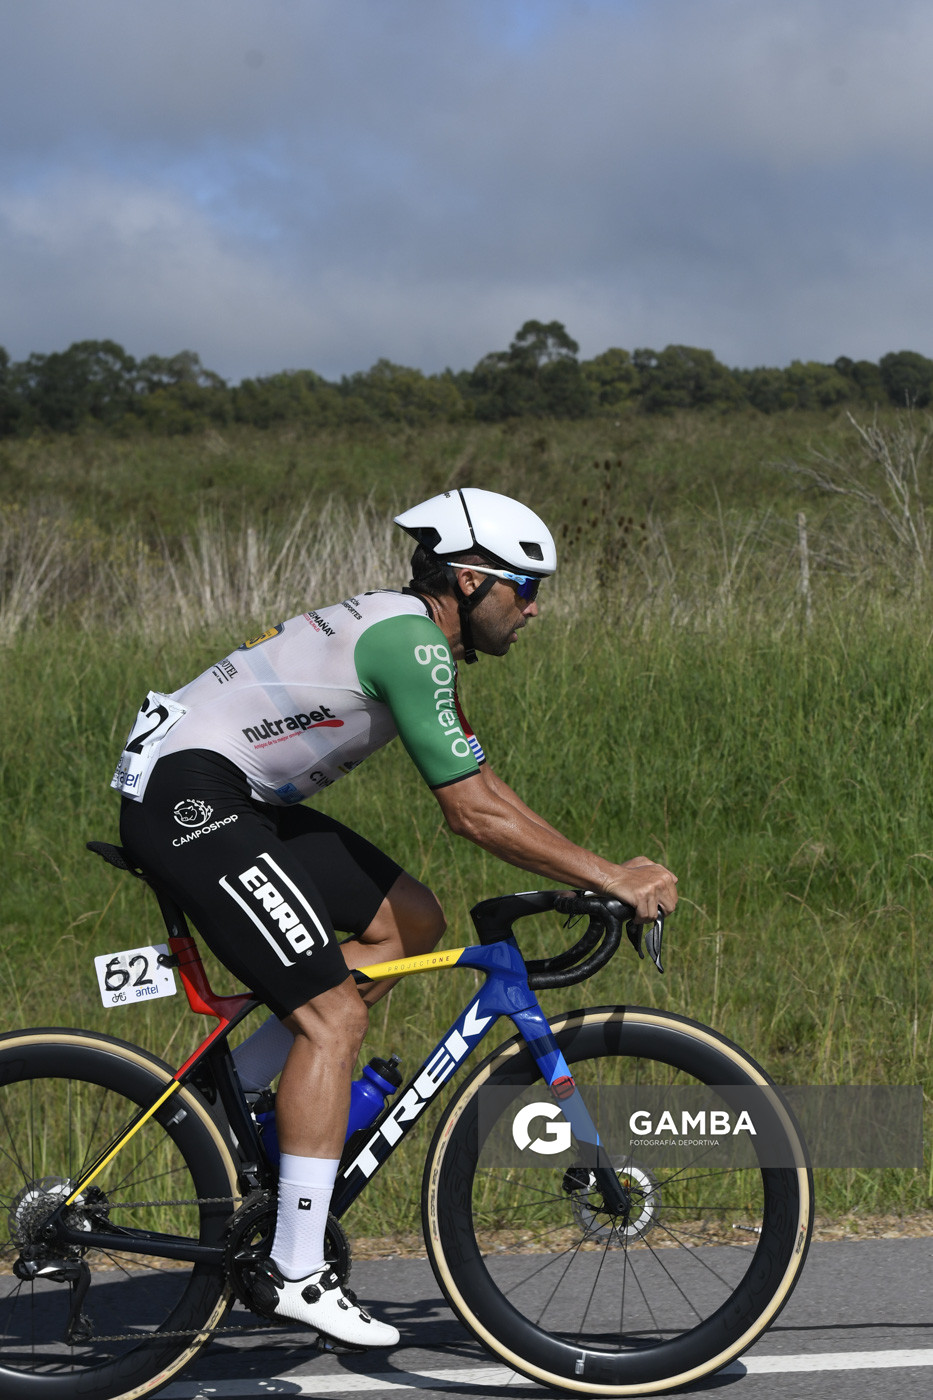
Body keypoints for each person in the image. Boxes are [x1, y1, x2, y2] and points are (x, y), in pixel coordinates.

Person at [110, 487, 678, 1348]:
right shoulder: (411, 645)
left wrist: (596, 871)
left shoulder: (416, 639)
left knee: (408, 922)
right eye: (524, 588)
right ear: (471, 577)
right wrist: (613, 877)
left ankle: (249, 1095)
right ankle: (295, 1270)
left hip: (232, 792)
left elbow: (485, 788)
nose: (534, 608)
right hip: (191, 799)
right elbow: (473, 815)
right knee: (332, 1014)